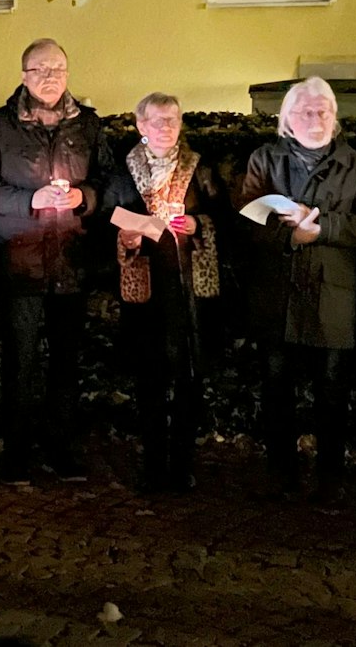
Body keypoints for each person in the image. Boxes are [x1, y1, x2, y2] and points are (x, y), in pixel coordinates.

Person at [0, 38, 113, 481]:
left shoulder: (88, 125)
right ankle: (16, 452)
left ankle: (62, 448)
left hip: (71, 259)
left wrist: (84, 198)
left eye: (58, 69)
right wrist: (31, 201)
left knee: (66, 361)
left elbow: (109, 180)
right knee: (20, 360)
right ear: (24, 76)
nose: (50, 77)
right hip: (20, 259)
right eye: (40, 70)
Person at [236, 77, 356, 503]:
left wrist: (322, 228)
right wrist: (289, 236)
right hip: (277, 293)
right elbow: (246, 220)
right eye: (306, 111)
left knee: (332, 393)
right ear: (287, 118)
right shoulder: (265, 159)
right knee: (276, 388)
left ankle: (330, 478)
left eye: (323, 111)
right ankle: (280, 473)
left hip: (332, 293)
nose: (316, 118)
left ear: (334, 118)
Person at [104, 92, 221, 494]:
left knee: (189, 379)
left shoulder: (199, 167)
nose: (166, 127)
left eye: (173, 119)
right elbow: (108, 216)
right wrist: (128, 239)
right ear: (141, 126)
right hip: (146, 290)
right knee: (149, 381)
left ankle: (182, 464)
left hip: (188, 290)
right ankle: (154, 466)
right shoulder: (124, 170)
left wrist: (198, 225)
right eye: (157, 120)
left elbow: (222, 215)